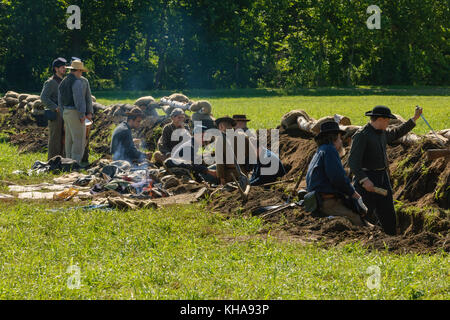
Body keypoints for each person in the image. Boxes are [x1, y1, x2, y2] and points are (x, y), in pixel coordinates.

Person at [348, 105, 423, 235]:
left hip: (382, 177)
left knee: (387, 210)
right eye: (387, 120)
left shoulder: (382, 133)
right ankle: (362, 238)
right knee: (366, 211)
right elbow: (353, 162)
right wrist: (364, 180)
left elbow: (397, 133)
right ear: (380, 119)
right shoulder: (362, 135)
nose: (389, 123)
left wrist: (414, 118)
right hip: (367, 179)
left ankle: (391, 237)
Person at [306, 121, 366, 226]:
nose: (341, 141)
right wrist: (353, 194)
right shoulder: (330, 150)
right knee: (356, 219)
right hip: (328, 202)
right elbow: (337, 178)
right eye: (340, 138)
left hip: (317, 201)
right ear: (335, 138)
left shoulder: (320, 151)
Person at [58, 60, 93, 164]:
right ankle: (75, 163)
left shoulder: (63, 81)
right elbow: (79, 99)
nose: (81, 73)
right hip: (75, 112)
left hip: (66, 112)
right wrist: (82, 114)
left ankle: (67, 162)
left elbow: (59, 100)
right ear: (77, 70)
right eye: (81, 71)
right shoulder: (77, 82)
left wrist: (63, 113)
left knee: (69, 139)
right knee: (78, 139)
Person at [215, 116, 255, 185]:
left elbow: (220, 162)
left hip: (229, 176)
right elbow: (252, 155)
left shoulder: (220, 139)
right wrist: (249, 169)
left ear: (221, 126)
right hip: (243, 173)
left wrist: (221, 178)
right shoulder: (243, 136)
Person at [40, 57, 67, 160]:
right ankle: (52, 161)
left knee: (64, 138)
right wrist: (55, 107)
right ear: (56, 69)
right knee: (55, 138)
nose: (64, 69)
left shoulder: (63, 81)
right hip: (55, 114)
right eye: (62, 67)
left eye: (65, 66)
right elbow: (43, 97)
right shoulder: (51, 82)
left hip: (64, 113)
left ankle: (62, 160)